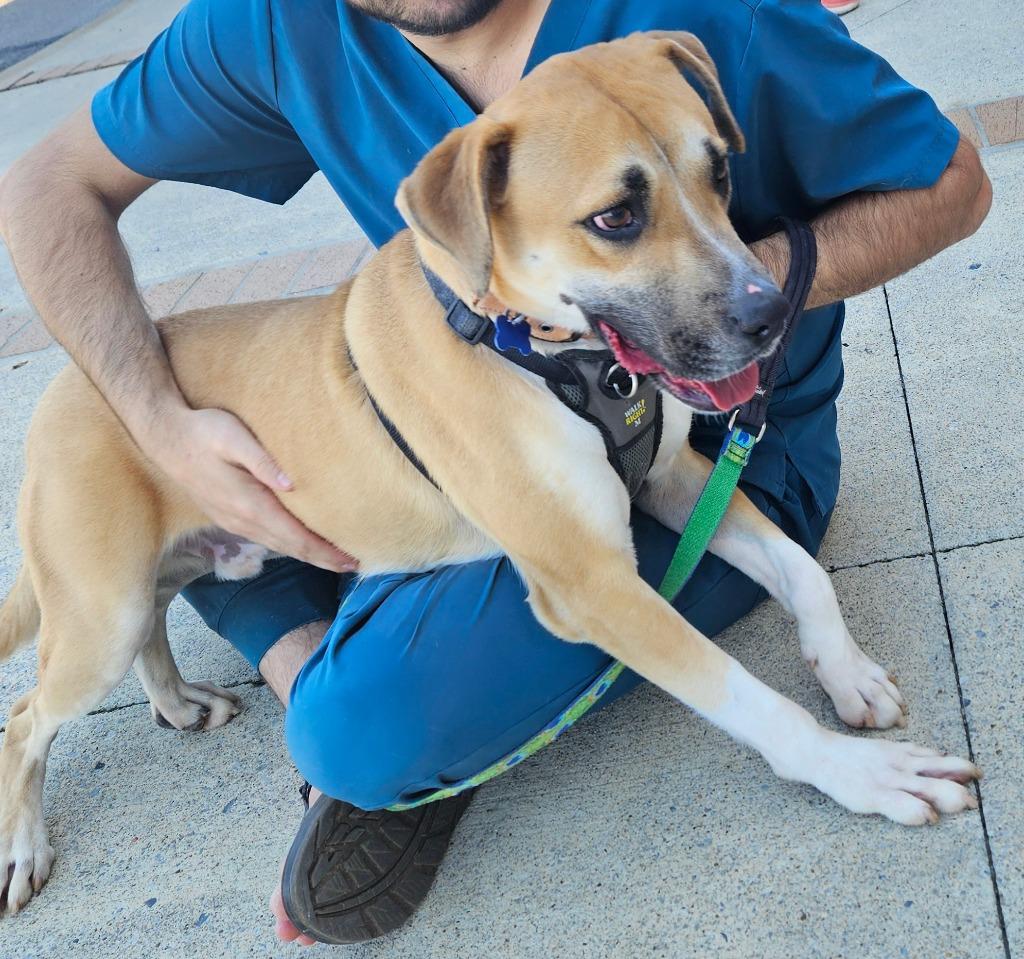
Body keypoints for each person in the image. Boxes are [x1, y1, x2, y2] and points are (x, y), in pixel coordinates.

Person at [0, 0, 990, 945]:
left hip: (735, 440)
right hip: (221, 447)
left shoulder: (706, 29)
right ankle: (126, 694)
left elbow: (954, 183)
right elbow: (48, 184)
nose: (730, 267)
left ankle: (297, 623)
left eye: (712, 180)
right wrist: (159, 425)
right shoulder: (276, 26)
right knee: (249, 690)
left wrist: (743, 290)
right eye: (617, 219)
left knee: (360, 718)